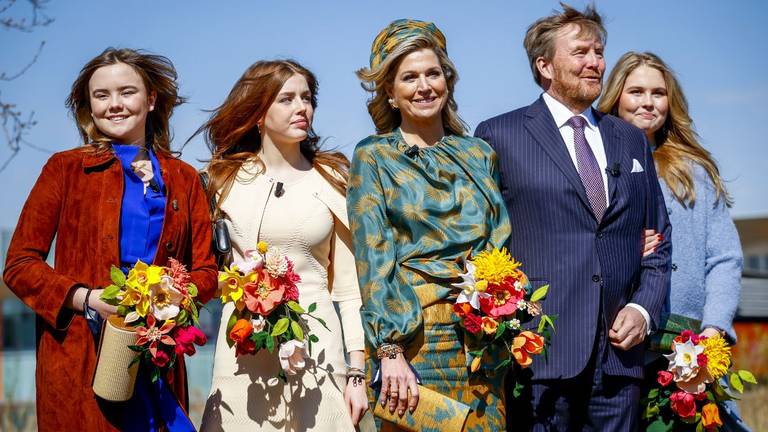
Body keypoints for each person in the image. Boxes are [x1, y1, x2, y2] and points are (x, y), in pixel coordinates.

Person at [474, 4, 672, 430]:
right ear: (545, 65)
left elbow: (659, 237)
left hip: (620, 357)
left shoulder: (630, 139)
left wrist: (642, 307)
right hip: (542, 352)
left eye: (599, 52)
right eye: (581, 52)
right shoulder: (499, 135)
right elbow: (484, 241)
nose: (595, 62)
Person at [3, 48, 217, 431]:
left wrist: (171, 300)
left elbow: (206, 270)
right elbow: (19, 265)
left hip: (158, 360)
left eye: (126, 92)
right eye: (101, 95)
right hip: (80, 362)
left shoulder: (184, 178)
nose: (114, 105)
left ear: (151, 99)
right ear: (89, 105)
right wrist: (88, 299)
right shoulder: (65, 169)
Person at [348, 19, 512, 431]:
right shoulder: (373, 158)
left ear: (447, 80)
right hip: (414, 343)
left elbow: (499, 244)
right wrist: (389, 350)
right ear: (390, 91)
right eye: (409, 77)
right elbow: (374, 258)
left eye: (432, 73)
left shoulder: (479, 154)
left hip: (480, 344)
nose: (424, 86)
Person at [198, 59, 370, 432]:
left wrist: (356, 372)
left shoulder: (333, 177)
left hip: (319, 350)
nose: (301, 108)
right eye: (286, 99)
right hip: (241, 351)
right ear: (258, 113)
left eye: (306, 98)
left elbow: (349, 288)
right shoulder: (221, 181)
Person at [598, 51, 749, 431]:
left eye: (658, 93)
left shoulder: (692, 170)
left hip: (687, 345)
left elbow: (724, 259)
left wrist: (713, 331)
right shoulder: (592, 161)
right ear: (616, 96)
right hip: (615, 346)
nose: (648, 102)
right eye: (636, 91)